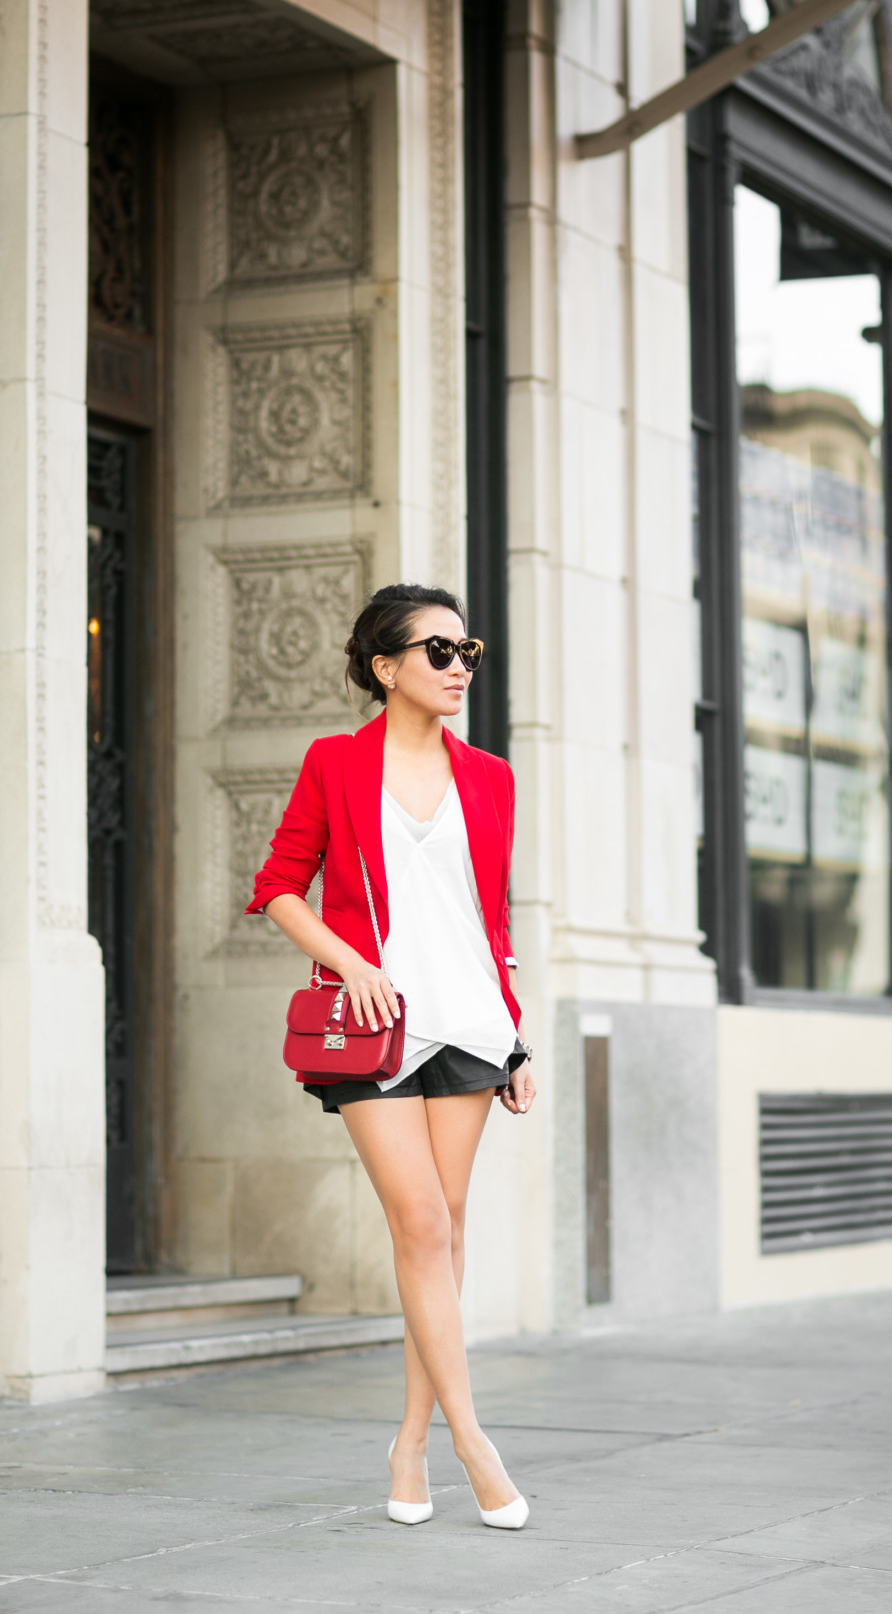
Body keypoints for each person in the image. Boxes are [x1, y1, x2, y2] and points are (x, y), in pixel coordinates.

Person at [247, 583, 535, 1531]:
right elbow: (281, 887)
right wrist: (350, 960)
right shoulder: (336, 764)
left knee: (441, 1233)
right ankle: (471, 1441)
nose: (460, 668)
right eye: (440, 652)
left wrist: (516, 1031)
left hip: (473, 1028)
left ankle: (409, 1442)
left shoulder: (490, 775)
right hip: (373, 1027)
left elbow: (490, 920)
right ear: (386, 667)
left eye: (468, 652)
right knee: (418, 1221)